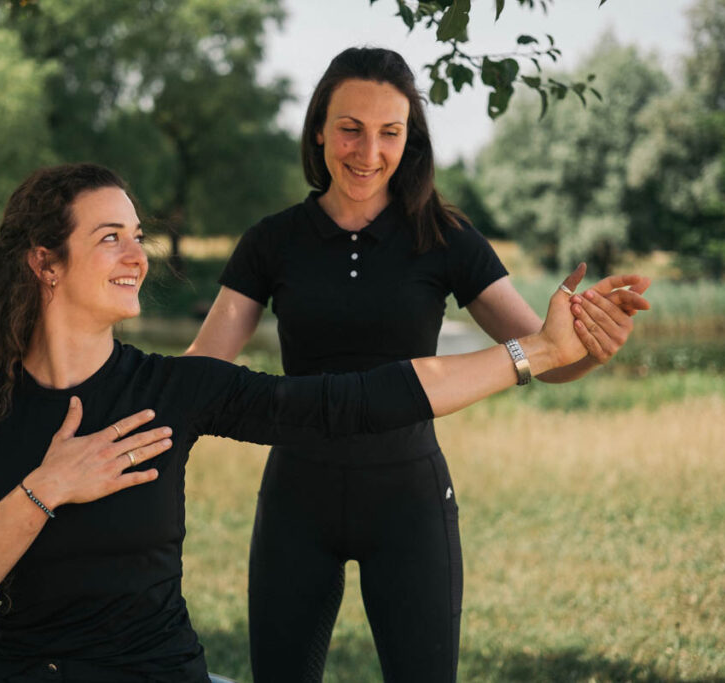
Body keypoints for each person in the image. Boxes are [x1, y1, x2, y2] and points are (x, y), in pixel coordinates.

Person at [0, 162, 647, 683]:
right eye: (110, 237)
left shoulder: (170, 390)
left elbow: (353, 400)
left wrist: (538, 350)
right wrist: (46, 488)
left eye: (139, 235)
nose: (137, 255)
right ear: (45, 264)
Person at [185, 47, 650, 682]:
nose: (368, 152)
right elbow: (202, 372)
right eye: (350, 128)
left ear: (411, 140)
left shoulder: (444, 237)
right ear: (319, 128)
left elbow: (547, 356)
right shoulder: (273, 241)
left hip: (408, 504)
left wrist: (589, 347)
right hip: (296, 499)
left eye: (390, 133)